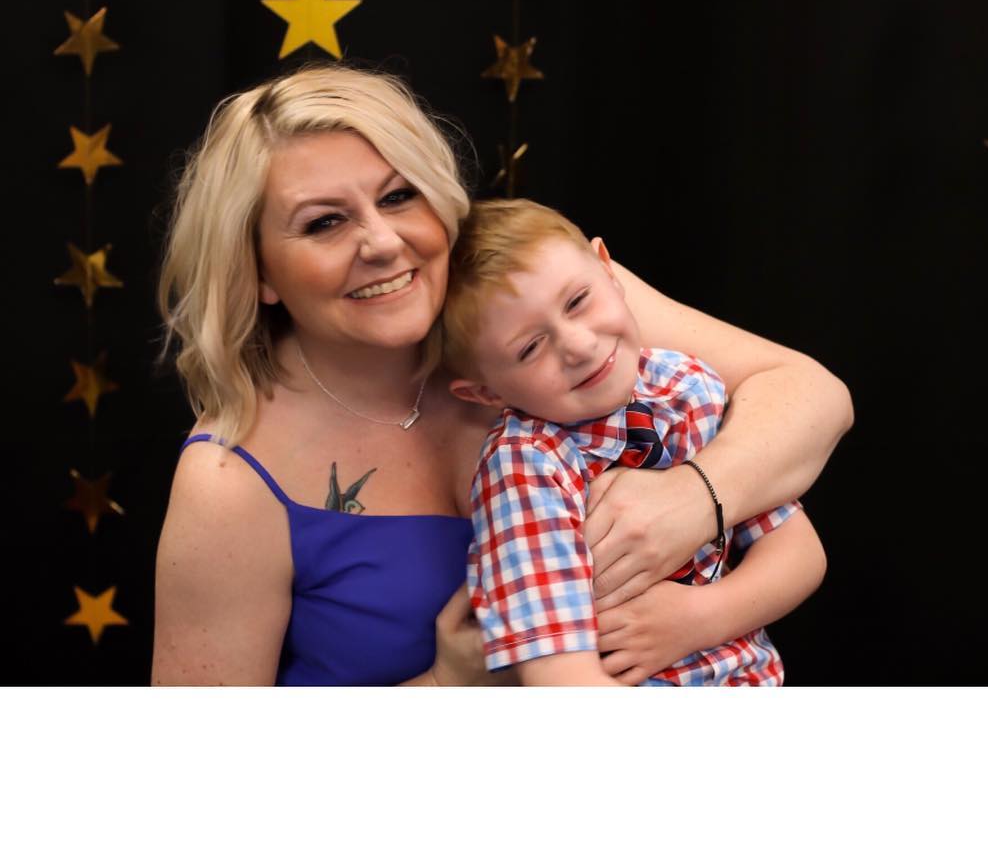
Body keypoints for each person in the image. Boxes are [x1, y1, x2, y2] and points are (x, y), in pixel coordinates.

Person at [152, 63, 852, 687]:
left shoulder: (541, 301)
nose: (383, 243)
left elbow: (814, 395)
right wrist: (446, 686)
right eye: (325, 223)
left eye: (398, 197)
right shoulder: (229, 478)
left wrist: (695, 499)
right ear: (259, 271)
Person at [441, 198, 823, 685]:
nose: (579, 345)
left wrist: (697, 618)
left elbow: (800, 553)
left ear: (607, 268)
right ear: (485, 393)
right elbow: (562, 680)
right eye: (530, 347)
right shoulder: (525, 467)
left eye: (577, 301)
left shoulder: (685, 385)